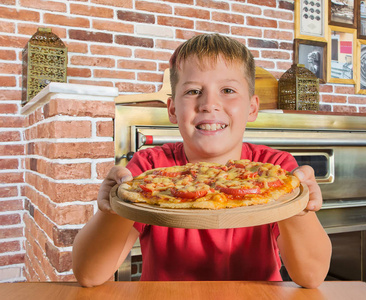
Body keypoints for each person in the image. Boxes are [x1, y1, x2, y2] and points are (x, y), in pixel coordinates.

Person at [72, 33, 332, 288]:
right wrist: (113, 206)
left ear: (252, 108)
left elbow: (311, 276)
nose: (209, 104)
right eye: (194, 91)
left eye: (228, 90)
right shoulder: (148, 170)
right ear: (173, 109)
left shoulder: (276, 171)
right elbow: (90, 275)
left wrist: (300, 206)